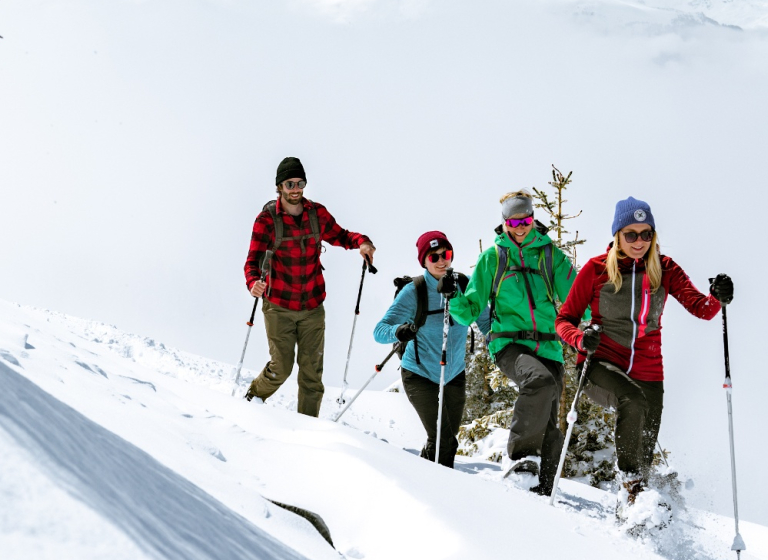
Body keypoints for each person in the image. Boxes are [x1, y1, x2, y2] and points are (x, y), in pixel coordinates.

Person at [555, 196, 733, 505]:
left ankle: (636, 513)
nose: (639, 241)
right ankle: (630, 483)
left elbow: (702, 309)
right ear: (618, 235)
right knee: (631, 399)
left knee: (644, 451)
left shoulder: (664, 268)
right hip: (601, 365)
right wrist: (581, 339)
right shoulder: (597, 269)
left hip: (649, 371)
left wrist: (718, 296)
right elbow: (564, 320)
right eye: (631, 234)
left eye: (646, 234)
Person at [445, 190, 580, 496]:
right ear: (504, 222)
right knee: (539, 381)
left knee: (549, 421)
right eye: (514, 222)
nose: (521, 227)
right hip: (509, 344)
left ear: (533, 219)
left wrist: (600, 309)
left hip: (549, 347)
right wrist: (453, 296)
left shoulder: (550, 255)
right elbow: (470, 311)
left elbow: (576, 299)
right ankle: (519, 461)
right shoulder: (493, 258)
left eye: (526, 220)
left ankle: (544, 490)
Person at [243, 156, 375, 417]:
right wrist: (252, 283)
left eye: (300, 183)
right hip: (278, 306)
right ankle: (251, 399)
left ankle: (309, 429)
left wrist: (362, 242)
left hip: (313, 306)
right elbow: (252, 261)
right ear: (279, 187)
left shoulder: (317, 214)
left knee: (312, 374)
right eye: (290, 184)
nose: (296, 189)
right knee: (281, 367)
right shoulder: (266, 220)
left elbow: (341, 235)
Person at [373, 232, 480, 468]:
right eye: (434, 257)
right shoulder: (414, 291)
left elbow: (485, 320)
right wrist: (398, 331)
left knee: (445, 439)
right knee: (443, 439)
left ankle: (424, 477)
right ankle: (440, 485)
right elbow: (379, 331)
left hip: (454, 373)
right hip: (419, 374)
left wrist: (501, 346)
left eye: (446, 254)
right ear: (424, 261)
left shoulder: (464, 285)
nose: (442, 261)